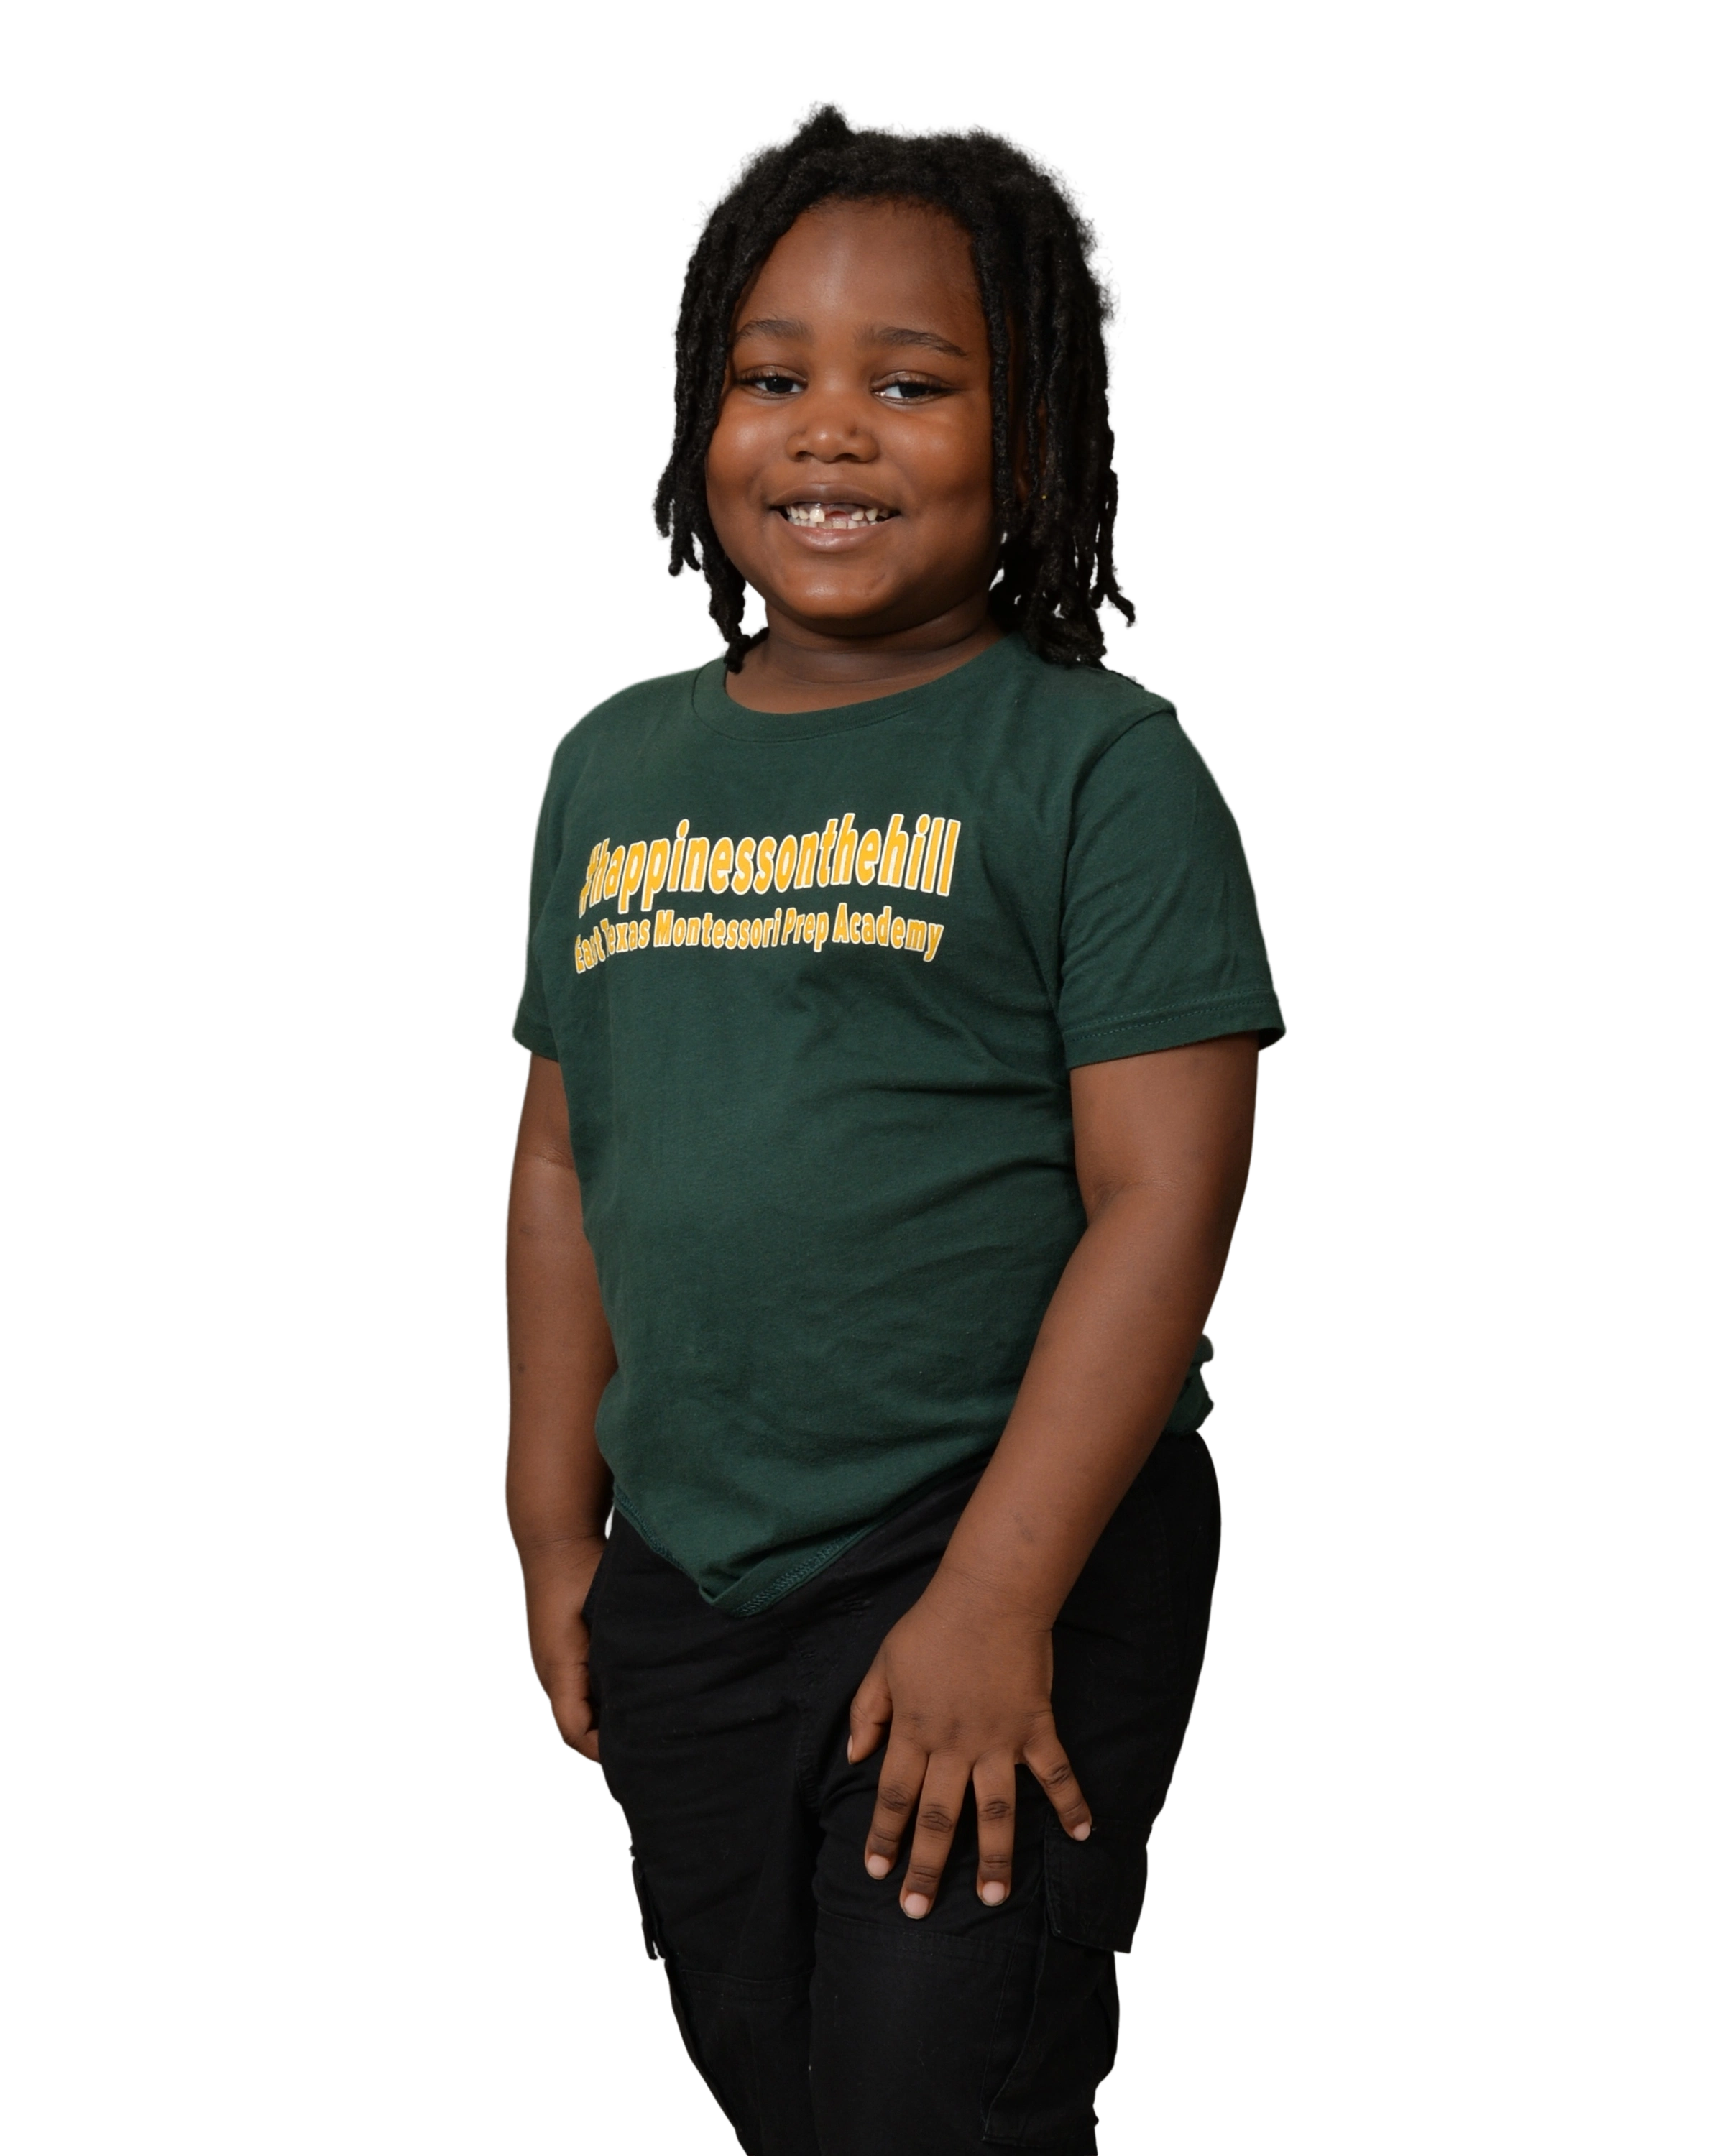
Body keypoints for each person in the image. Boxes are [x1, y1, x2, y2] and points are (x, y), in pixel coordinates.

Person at [502, 100, 1286, 2156]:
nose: (829, 431)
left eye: (913, 384)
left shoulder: (1097, 764)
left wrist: (997, 1598)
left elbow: (1164, 1200)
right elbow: (566, 1164)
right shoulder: (610, 769)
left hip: (997, 1545)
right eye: (773, 379)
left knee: (944, 2106)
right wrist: (556, 1531)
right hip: (691, 1571)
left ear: (1039, 437)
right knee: (785, 2099)